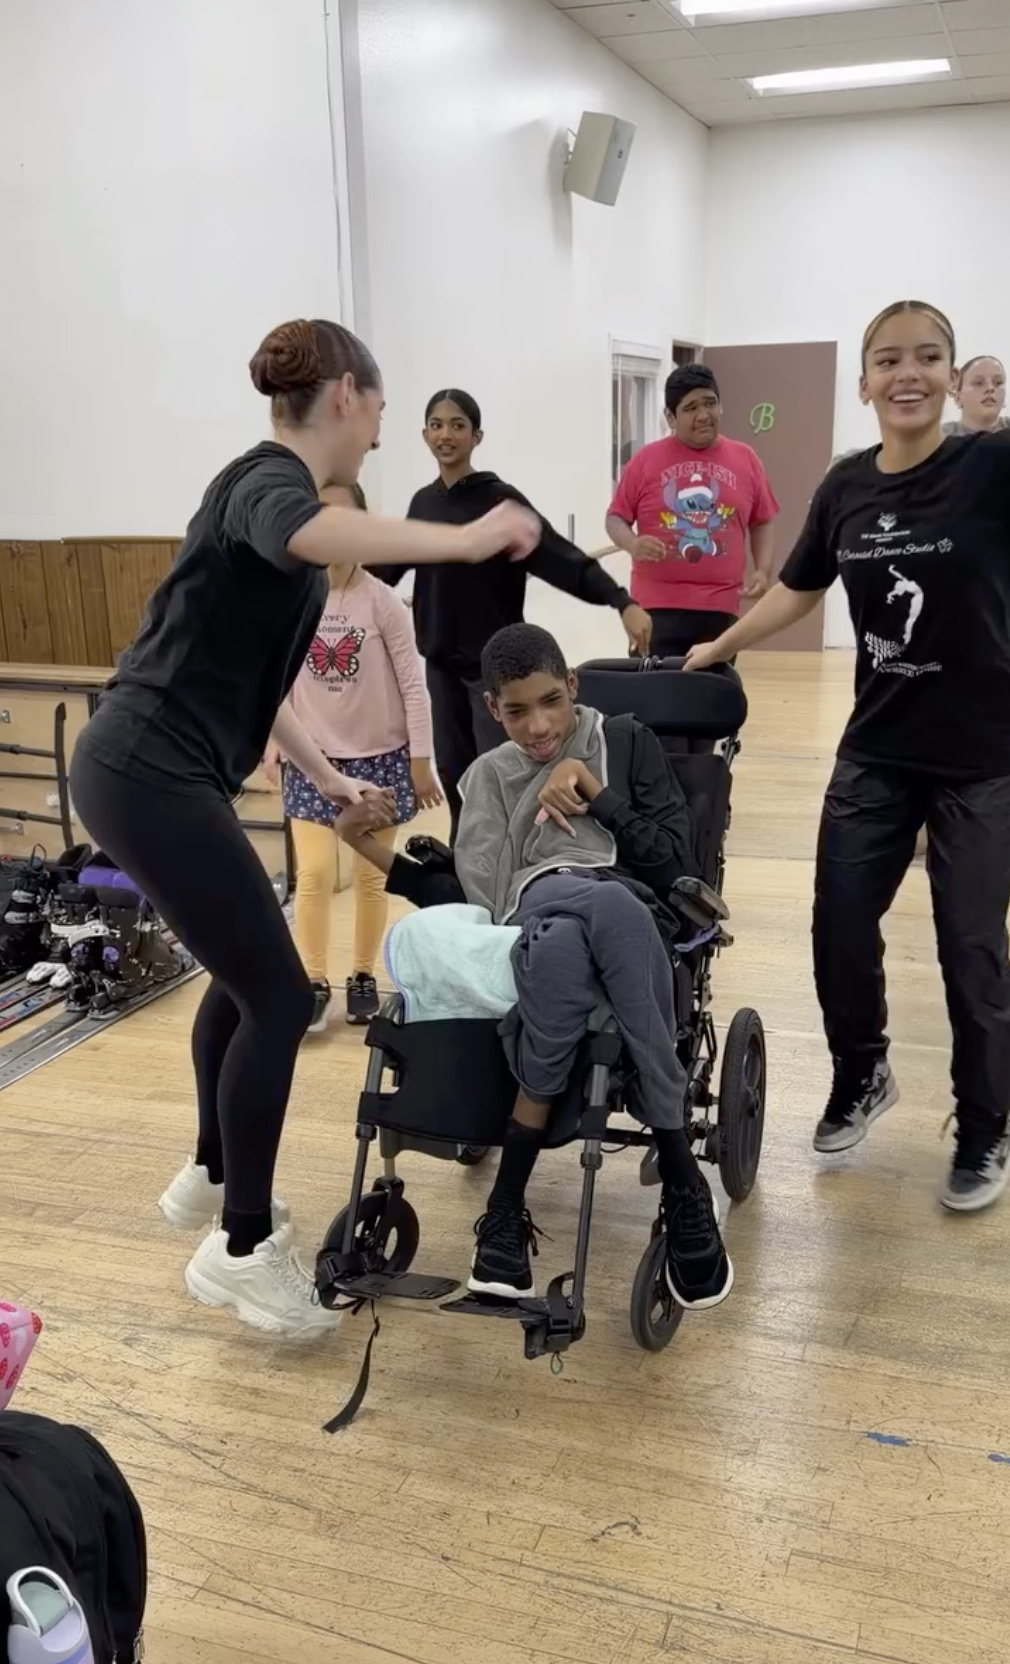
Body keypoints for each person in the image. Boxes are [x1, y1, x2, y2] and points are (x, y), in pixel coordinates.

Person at [68, 317, 540, 1340]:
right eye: (377, 408)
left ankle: (208, 1171)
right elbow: (307, 531)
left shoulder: (269, 514)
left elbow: (259, 688)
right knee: (283, 996)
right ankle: (242, 1244)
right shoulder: (266, 487)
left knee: (251, 980)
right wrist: (461, 539)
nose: (380, 431)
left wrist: (328, 780)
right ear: (345, 395)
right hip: (148, 770)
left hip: (148, 769)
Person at [685, 299, 1010, 1213]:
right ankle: (863, 1073)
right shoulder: (845, 487)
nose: (908, 374)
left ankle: (986, 1125)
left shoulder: (990, 466)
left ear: (952, 374)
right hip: (878, 748)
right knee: (836, 928)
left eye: (928, 357)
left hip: (984, 756)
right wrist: (720, 646)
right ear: (864, 382)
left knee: (972, 952)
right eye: (889, 360)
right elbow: (797, 589)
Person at [337, 622, 733, 1311]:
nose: (538, 725)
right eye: (516, 711)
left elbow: (678, 867)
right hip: (536, 913)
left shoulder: (626, 742)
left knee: (580, 933)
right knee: (557, 932)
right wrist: (364, 847)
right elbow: (471, 896)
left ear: (572, 688)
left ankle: (506, 1205)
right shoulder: (486, 781)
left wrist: (592, 791)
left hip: (630, 906)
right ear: (493, 709)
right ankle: (681, 1176)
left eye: (552, 702)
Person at [373, 390, 653, 836]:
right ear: (425, 434)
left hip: (493, 673)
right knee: (455, 773)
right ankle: (468, 862)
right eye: (437, 424)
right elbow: (384, 568)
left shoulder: (501, 504)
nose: (446, 434)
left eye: (458, 425)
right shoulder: (423, 505)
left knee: (503, 773)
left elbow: (561, 559)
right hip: (441, 667)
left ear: (476, 435)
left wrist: (621, 600)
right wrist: (328, 589)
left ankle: (521, 858)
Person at [268, 481, 440, 1032]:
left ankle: (363, 976)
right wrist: (275, 743)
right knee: (314, 875)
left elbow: (414, 686)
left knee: (370, 877)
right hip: (312, 758)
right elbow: (277, 677)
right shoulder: (292, 597)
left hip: (378, 760)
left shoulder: (382, 602)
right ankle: (314, 981)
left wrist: (421, 758)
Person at [606, 363, 779, 659]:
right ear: (670, 417)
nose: (703, 415)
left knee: (711, 695)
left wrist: (763, 570)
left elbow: (762, 520)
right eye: (690, 408)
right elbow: (615, 518)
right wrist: (633, 544)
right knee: (655, 697)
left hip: (720, 607)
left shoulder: (746, 459)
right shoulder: (646, 460)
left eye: (710, 403)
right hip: (655, 607)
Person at [943, 354, 1008, 436]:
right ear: (958, 397)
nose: (990, 388)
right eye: (978, 383)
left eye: (998, 383)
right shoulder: (938, 440)